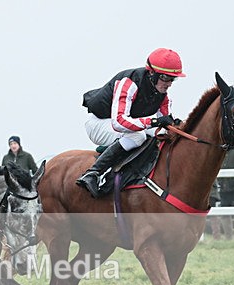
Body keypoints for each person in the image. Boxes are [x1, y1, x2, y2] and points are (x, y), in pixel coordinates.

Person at [77, 48, 185, 197]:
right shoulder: (129, 83)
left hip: (124, 124)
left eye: (173, 79)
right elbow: (119, 122)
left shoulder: (163, 96)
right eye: (166, 78)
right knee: (138, 136)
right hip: (100, 124)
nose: (169, 84)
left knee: (154, 134)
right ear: (152, 73)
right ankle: (93, 173)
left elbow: (164, 127)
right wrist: (154, 121)